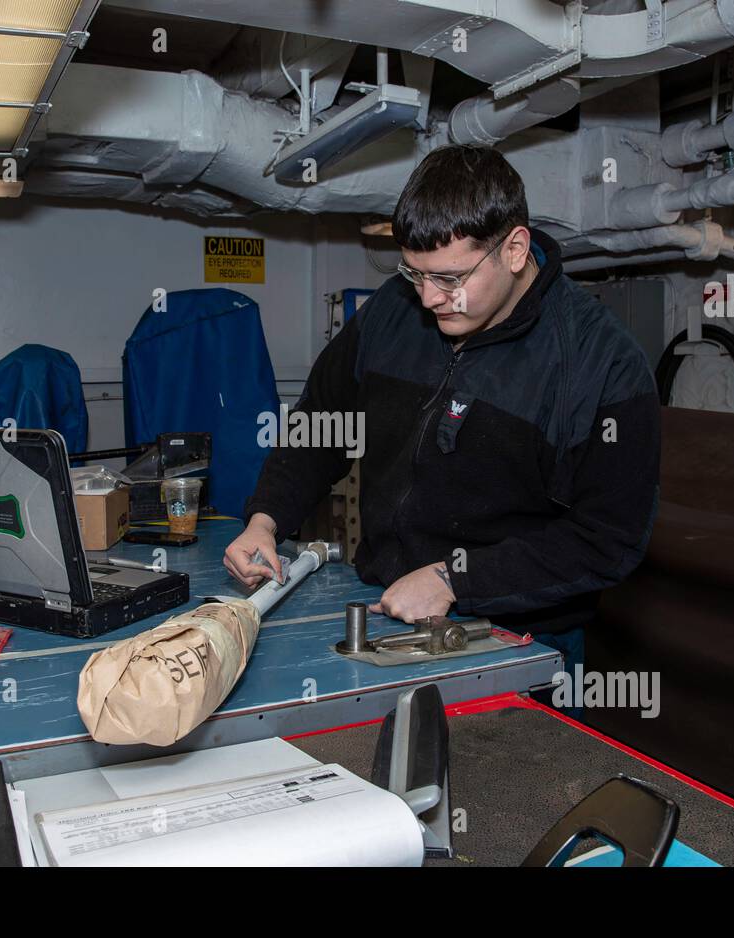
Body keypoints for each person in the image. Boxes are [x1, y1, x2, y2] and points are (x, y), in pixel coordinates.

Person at [224, 145, 660, 677]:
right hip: (381, 607)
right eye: (414, 273)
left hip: (518, 636)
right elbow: (322, 422)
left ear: (515, 248)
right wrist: (266, 520)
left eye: (451, 279)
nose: (430, 298)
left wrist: (454, 578)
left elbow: (607, 539)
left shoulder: (601, 362)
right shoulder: (393, 310)